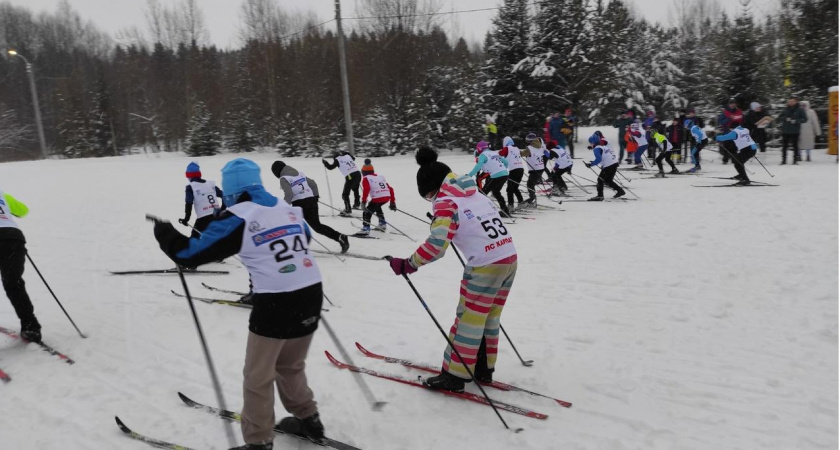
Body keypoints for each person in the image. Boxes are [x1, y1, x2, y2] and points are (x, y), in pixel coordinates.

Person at [152, 159, 325, 450]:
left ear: (232, 190)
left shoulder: (238, 216)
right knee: (290, 365)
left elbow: (191, 254)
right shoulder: (286, 207)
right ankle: (309, 420)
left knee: (258, 375)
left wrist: (165, 234)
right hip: (311, 292)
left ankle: (258, 441)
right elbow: (304, 237)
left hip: (276, 300)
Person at [387, 146, 518, 393]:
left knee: (468, 319)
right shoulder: (474, 192)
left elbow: (437, 246)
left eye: (428, 196)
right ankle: (483, 368)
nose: (431, 201)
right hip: (509, 257)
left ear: (432, 189)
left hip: (486, 265)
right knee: (488, 316)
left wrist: (409, 264)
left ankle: (455, 376)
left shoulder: (445, 202)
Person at [272, 161, 349, 254]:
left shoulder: (284, 178)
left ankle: (296, 247)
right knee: (317, 226)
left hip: (299, 204)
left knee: (293, 225)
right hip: (311, 201)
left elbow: (289, 194)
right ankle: (340, 237)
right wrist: (315, 196)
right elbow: (312, 183)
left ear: (277, 171)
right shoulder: (299, 174)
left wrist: (284, 207)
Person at [0, 189, 41, 343]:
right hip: (13, 237)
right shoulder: (2, 194)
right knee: (13, 284)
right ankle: (31, 328)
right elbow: (23, 211)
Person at [468, 140, 511, 217]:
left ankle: (483, 212)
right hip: (505, 174)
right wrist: (503, 169)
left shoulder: (483, 155)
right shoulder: (494, 152)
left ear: (480, 148)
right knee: (496, 192)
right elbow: (506, 162)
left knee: (483, 193)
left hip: (496, 175)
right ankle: (505, 210)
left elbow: (478, 166)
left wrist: (470, 174)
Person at [182, 162, 224, 238]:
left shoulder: (190, 187)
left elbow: (188, 203)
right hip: (218, 216)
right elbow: (224, 196)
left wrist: (186, 219)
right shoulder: (210, 184)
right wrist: (222, 209)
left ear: (189, 176)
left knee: (194, 241)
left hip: (203, 219)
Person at [358, 159, 396, 235]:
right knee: (377, 207)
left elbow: (366, 189)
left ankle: (365, 229)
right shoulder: (380, 177)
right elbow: (390, 189)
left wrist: (363, 202)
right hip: (386, 197)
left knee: (367, 212)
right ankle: (382, 224)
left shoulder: (366, 178)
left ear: (363, 172)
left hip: (378, 197)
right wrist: (392, 202)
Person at [584, 132, 625, 201]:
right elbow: (605, 157)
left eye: (590, 142)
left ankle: (600, 196)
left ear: (593, 142)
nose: (590, 144)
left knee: (600, 180)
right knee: (608, 180)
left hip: (609, 165)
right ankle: (620, 191)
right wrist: (594, 162)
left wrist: (591, 164)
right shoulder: (603, 146)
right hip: (614, 164)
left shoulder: (596, 149)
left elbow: (599, 159)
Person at [777, 96, 808, 165]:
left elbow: (805, 119)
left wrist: (796, 121)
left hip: (795, 131)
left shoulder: (800, 110)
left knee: (795, 146)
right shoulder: (785, 109)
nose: (790, 102)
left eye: (792, 101)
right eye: (789, 101)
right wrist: (785, 119)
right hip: (785, 131)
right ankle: (784, 160)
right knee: (784, 146)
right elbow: (779, 118)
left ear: (796, 102)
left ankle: (795, 160)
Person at [498, 136, 525, 208]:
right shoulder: (517, 148)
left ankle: (510, 205)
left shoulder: (507, 148)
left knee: (509, 189)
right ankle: (521, 202)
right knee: (515, 187)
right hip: (521, 169)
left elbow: (500, 154)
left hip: (514, 170)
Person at [522, 133, 547, 205]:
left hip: (535, 169)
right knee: (531, 183)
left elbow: (522, 153)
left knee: (530, 184)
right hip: (540, 168)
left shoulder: (530, 148)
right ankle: (532, 198)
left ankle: (532, 199)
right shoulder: (540, 146)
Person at [718, 99, 744, 164]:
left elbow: (742, 121)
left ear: (736, 104)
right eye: (731, 103)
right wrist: (729, 119)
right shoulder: (725, 112)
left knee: (734, 146)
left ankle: (734, 160)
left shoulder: (739, 111)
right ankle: (725, 160)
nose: (733, 105)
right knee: (726, 146)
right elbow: (721, 122)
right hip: (726, 131)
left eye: (734, 103)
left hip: (736, 131)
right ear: (729, 104)